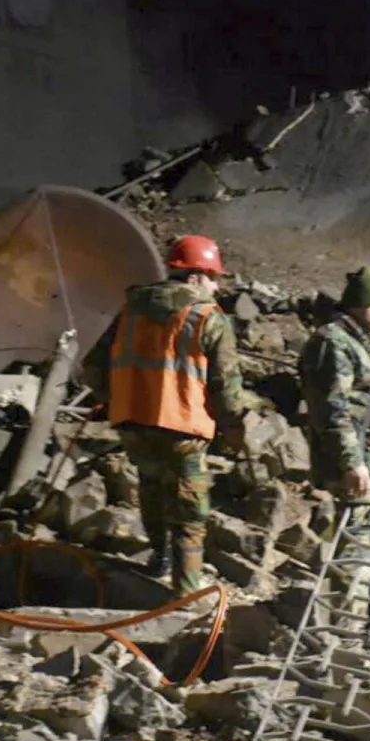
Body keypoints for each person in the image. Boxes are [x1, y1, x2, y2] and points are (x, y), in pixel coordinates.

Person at [92, 235, 251, 593]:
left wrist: (111, 401)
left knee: (151, 487)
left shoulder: (131, 310)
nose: (216, 286)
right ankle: (185, 593)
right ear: (194, 277)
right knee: (190, 513)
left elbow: (94, 364)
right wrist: (235, 431)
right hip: (183, 430)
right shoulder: (207, 317)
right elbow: (226, 386)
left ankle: (159, 558)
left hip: (134, 422)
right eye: (213, 278)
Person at [300, 267, 370, 501]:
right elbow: (331, 408)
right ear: (361, 306)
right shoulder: (333, 343)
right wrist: (351, 462)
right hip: (353, 466)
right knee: (356, 534)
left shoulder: (361, 344)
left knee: (364, 533)